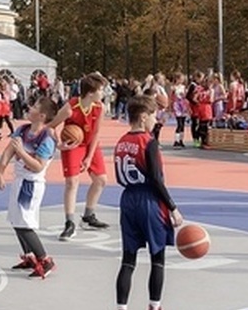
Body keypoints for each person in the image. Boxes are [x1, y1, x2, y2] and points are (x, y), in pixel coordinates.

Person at [114, 95, 184, 310]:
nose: (157, 119)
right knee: (157, 258)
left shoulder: (121, 141)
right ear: (143, 117)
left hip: (127, 199)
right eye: (154, 115)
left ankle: (121, 307)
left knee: (128, 260)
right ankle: (155, 306)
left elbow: (118, 177)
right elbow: (155, 179)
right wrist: (173, 207)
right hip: (149, 201)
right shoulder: (148, 142)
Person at [0, 95, 58, 279]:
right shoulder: (22, 130)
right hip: (20, 180)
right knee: (16, 221)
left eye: (34, 106)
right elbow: (9, 150)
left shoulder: (46, 138)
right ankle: (30, 256)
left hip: (31, 184)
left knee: (24, 224)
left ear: (42, 116)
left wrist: (22, 151)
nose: (30, 108)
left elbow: (38, 166)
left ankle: (45, 259)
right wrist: (0, 171)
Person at [48, 72, 111, 240]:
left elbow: (96, 132)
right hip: (73, 145)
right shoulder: (70, 109)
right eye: (101, 90)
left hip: (91, 144)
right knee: (72, 182)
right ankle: (69, 222)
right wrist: (58, 144)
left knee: (101, 179)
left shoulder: (100, 107)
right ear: (90, 93)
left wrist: (89, 157)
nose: (103, 93)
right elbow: (51, 126)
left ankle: (88, 216)